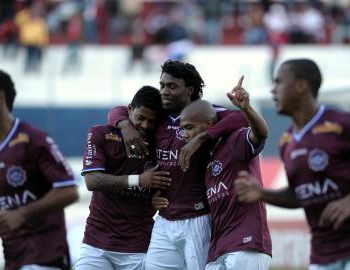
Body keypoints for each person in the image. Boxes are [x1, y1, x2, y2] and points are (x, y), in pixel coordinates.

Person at [235, 59, 350, 270]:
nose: (273, 91)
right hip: (322, 253)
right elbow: (299, 194)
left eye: (279, 82)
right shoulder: (287, 141)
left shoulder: (344, 124)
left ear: (301, 86)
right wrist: (263, 194)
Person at [108, 60, 248, 270]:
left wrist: (201, 138)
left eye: (172, 86)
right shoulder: (158, 115)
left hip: (197, 217)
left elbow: (241, 118)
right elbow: (119, 110)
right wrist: (126, 125)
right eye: (162, 85)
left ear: (189, 89)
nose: (164, 91)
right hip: (164, 217)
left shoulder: (204, 113)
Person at [154, 76, 272, 269]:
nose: (186, 135)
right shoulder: (206, 157)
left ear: (209, 125)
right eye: (183, 130)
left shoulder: (235, 141)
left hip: (246, 243)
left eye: (190, 128)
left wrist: (247, 108)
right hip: (218, 248)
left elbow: (260, 134)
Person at [0, 69, 79, 270]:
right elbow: (1, 202)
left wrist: (21, 214)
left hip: (45, 257)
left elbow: (69, 190)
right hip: (13, 260)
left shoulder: (33, 140)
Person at [74, 86, 172, 270]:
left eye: (151, 121)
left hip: (138, 247)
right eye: (140, 118)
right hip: (96, 244)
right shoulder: (101, 133)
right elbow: (92, 181)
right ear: (129, 110)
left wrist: (159, 198)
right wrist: (138, 180)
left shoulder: (161, 144)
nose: (145, 125)